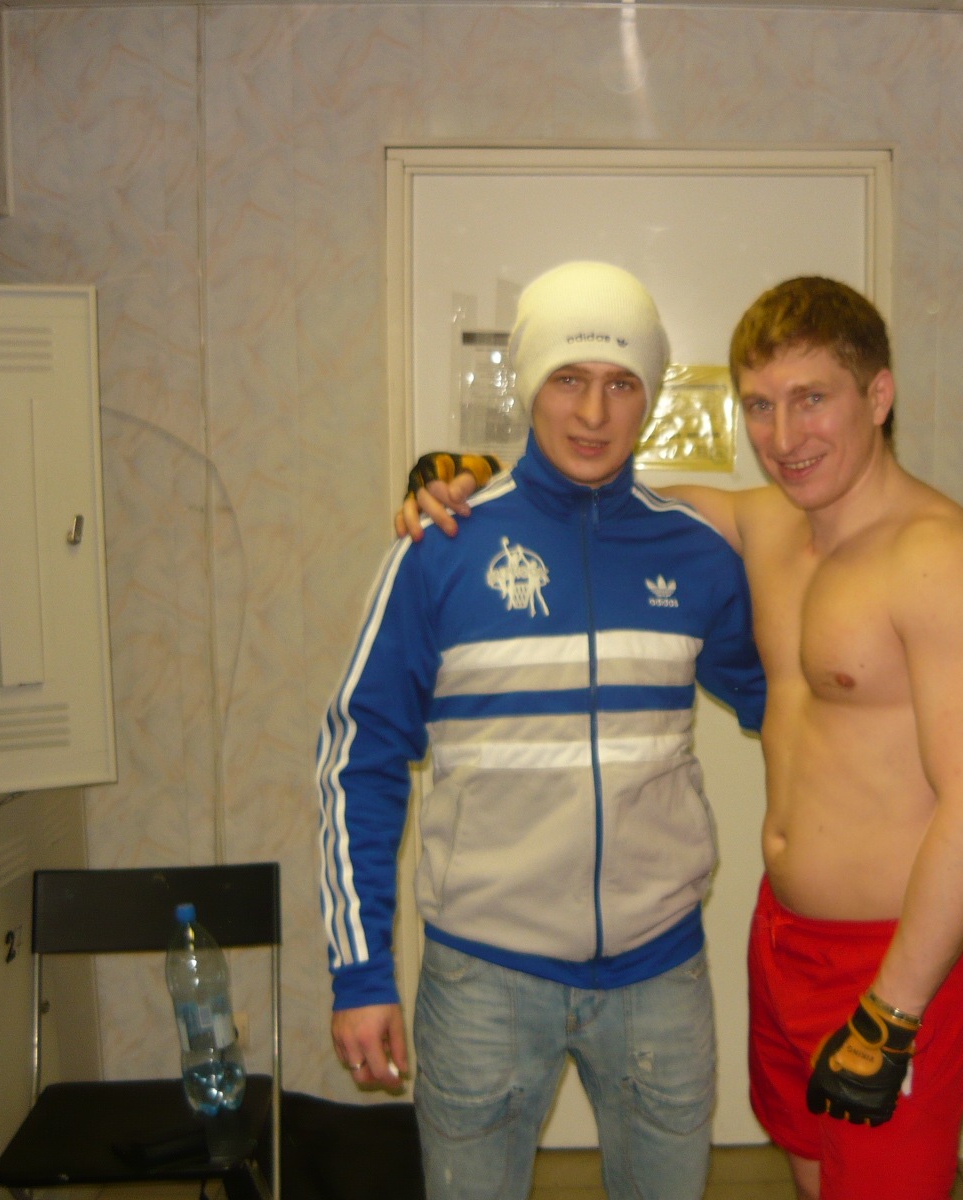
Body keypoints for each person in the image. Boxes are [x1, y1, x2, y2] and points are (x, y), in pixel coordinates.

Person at [407, 276, 963, 1200]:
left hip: (896, 958)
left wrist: (892, 1012)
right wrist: (471, 475)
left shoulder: (949, 563)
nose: (783, 437)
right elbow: (596, 498)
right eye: (760, 406)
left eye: (812, 399)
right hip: (783, 939)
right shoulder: (765, 523)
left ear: (879, 395)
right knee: (814, 1173)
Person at [320, 261, 767, 1200]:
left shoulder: (698, 554)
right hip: (483, 979)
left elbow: (794, 707)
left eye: (621, 383)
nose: (594, 413)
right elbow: (360, 759)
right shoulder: (439, 549)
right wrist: (361, 974)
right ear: (530, 386)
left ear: (649, 396)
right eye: (568, 378)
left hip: (659, 972)